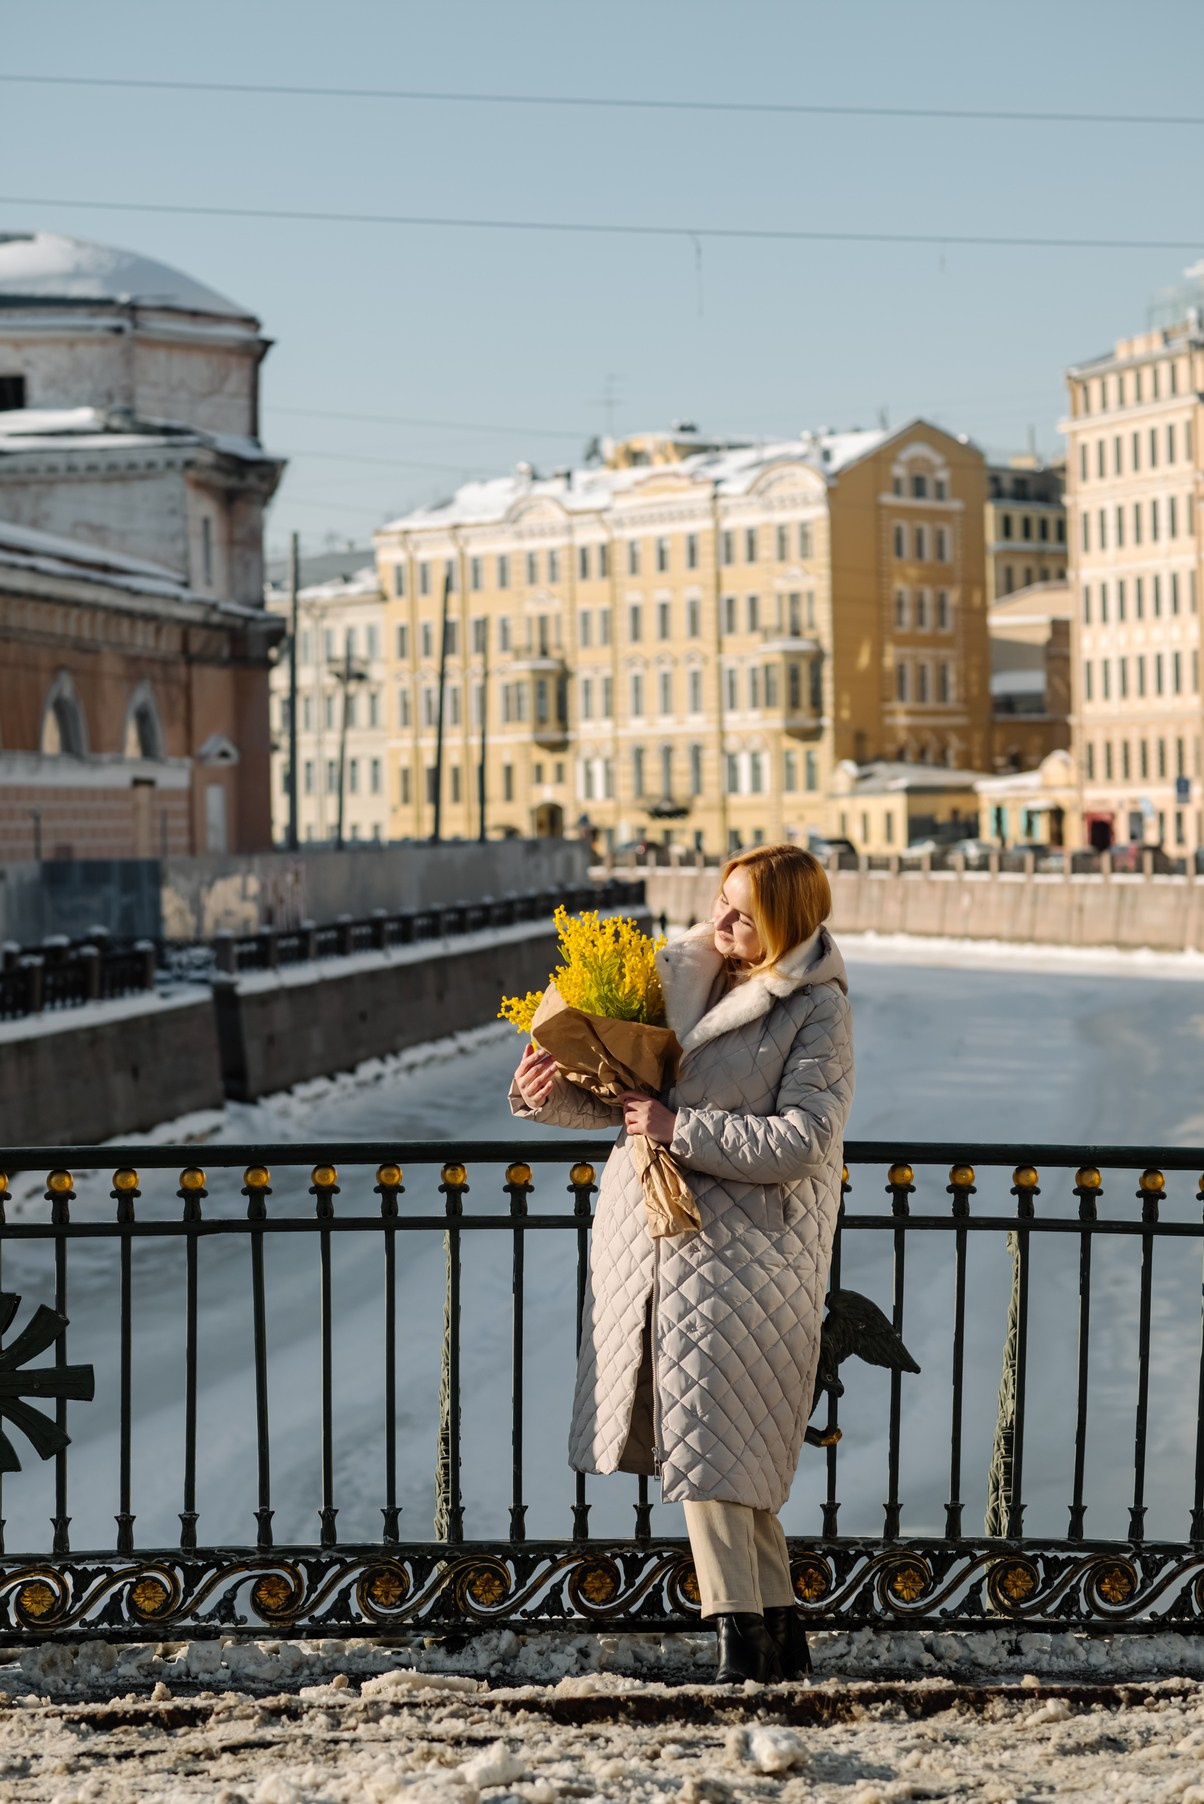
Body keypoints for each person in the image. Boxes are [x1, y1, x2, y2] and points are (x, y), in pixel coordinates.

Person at [510, 843, 854, 1683]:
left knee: (710, 1447)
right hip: (658, 1242)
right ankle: (779, 1637)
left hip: (748, 1256)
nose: (719, 919)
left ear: (785, 923)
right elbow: (624, 1104)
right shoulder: (682, 976)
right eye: (719, 901)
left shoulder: (816, 1008)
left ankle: (739, 1641)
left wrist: (679, 1130)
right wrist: (545, 1090)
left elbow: (805, 1142)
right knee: (725, 1448)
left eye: (742, 913)